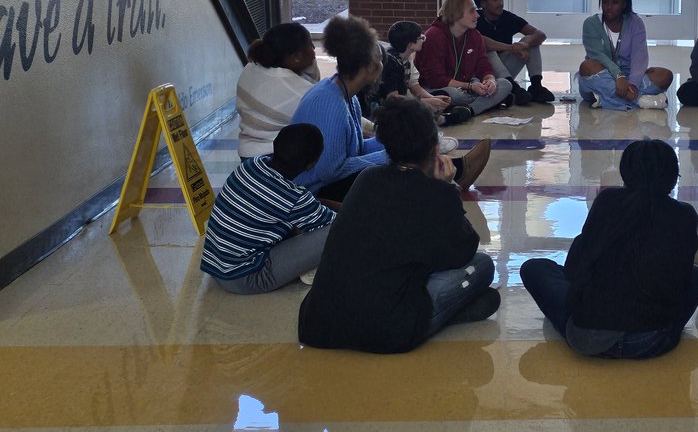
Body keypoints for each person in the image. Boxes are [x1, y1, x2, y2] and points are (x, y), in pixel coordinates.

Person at [297, 97, 501, 354]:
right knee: (482, 265)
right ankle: (447, 317)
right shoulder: (434, 192)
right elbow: (464, 250)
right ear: (433, 148)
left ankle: (450, 313)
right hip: (388, 332)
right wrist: (448, 188)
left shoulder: (366, 178)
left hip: (318, 325)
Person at [520, 140, 698, 359]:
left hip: (587, 337)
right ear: (673, 176)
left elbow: (573, 269)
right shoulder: (683, 214)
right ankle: (664, 331)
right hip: (650, 340)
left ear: (625, 173)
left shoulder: (607, 200)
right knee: (695, 277)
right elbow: (680, 278)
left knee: (535, 268)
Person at [293, 15, 491, 200]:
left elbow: (355, 149)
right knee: (400, 167)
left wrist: (401, 145)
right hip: (316, 190)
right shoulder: (330, 102)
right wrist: (389, 155)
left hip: (330, 180)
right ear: (369, 67)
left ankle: (452, 170)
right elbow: (329, 172)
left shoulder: (343, 92)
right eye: (380, 59)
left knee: (407, 151)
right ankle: (456, 173)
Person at [202, 123, 336, 294]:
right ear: (311, 164)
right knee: (336, 231)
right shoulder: (292, 197)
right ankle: (312, 267)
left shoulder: (251, 165)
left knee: (298, 221)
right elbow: (339, 222)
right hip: (246, 278)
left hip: (217, 266)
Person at [578, 0, 673, 111]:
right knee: (587, 66)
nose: (608, 7)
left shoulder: (635, 22)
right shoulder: (591, 23)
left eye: (615, 3)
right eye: (605, 2)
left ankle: (605, 99)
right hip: (603, 76)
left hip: (629, 78)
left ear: (624, 4)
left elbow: (640, 57)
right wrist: (618, 76)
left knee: (665, 75)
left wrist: (633, 84)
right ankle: (639, 100)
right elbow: (597, 55)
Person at [417, 0, 514, 116]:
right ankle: (487, 103)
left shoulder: (475, 35)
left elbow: (483, 66)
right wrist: (470, 86)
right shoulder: (434, 35)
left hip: (468, 87)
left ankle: (468, 110)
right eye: (472, 11)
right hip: (438, 88)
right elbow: (435, 80)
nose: (477, 15)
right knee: (455, 95)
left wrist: (490, 80)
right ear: (457, 13)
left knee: (505, 84)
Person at [236, 23, 319, 158]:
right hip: (274, 157)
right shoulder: (297, 90)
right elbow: (333, 115)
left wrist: (307, 59)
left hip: (246, 151)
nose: (315, 49)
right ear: (296, 57)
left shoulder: (251, 68)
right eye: (310, 45)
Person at [471, 0, 555, 104]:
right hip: (483, 74)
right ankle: (514, 89)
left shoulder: (507, 17)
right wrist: (511, 48)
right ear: (482, 3)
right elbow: (481, 41)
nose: (500, 3)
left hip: (505, 70)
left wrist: (524, 44)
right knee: (488, 50)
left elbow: (540, 34)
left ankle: (536, 86)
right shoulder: (474, 19)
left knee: (530, 41)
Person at [379, 21, 472, 126]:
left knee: (443, 96)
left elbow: (414, 86)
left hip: (406, 97)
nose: (423, 40)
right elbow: (394, 99)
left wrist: (432, 99)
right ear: (410, 44)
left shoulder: (407, 58)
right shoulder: (391, 63)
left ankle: (436, 114)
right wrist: (427, 102)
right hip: (393, 106)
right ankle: (438, 119)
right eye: (420, 38)